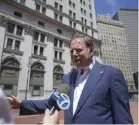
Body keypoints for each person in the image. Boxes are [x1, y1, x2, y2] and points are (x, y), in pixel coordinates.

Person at [8, 34, 133, 124]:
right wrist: (21, 104)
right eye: (71, 51)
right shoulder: (68, 78)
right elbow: (52, 103)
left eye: (78, 50)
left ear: (91, 51)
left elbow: (123, 118)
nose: (74, 54)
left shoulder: (111, 74)